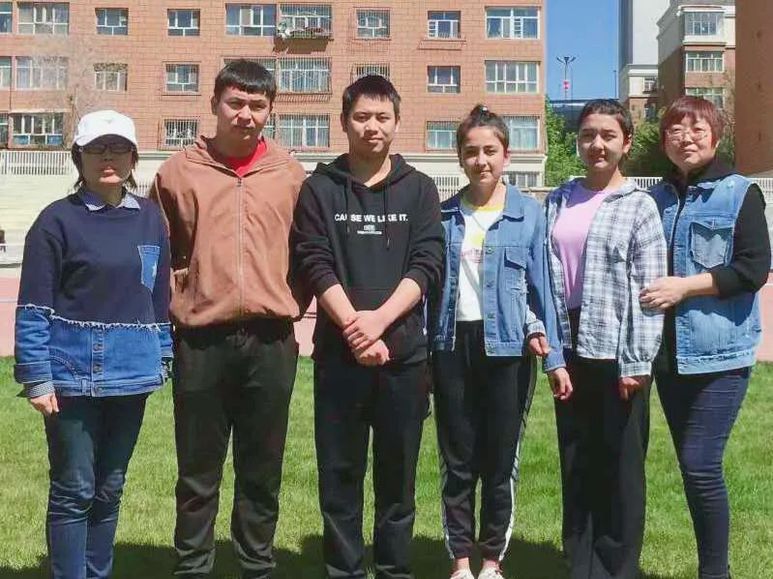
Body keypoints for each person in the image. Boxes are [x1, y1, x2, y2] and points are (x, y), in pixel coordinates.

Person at [150, 60, 307, 578]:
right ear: (214, 104)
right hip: (202, 341)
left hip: (271, 340)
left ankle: (256, 565)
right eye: (235, 103)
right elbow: (157, 254)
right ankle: (193, 566)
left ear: (270, 111)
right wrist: (184, 298)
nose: (246, 114)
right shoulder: (177, 173)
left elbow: (307, 252)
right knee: (198, 472)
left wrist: (288, 299)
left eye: (257, 105)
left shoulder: (289, 174)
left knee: (262, 469)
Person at [292, 75, 444, 579]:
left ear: (397, 123)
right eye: (361, 117)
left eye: (382, 117)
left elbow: (427, 263)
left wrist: (378, 322)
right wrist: (354, 329)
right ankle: (344, 570)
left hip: (404, 359)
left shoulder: (420, 189)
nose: (372, 126)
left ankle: (394, 569)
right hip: (339, 358)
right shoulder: (319, 189)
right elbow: (314, 261)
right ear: (344, 122)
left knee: (398, 478)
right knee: (340, 476)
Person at [14, 109, 171, 579]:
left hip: (132, 373)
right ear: (77, 157)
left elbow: (157, 296)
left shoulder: (150, 219)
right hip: (71, 375)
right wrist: (37, 377)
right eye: (97, 149)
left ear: (133, 158)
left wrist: (163, 354)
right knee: (74, 488)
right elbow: (34, 306)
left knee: (111, 486)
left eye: (118, 148)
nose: (108, 158)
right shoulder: (55, 221)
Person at [430, 105, 571, 579]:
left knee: (500, 459)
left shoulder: (529, 215)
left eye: (490, 150)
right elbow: (430, 290)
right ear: (459, 158)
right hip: (451, 346)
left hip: (508, 349)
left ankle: (491, 559)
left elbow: (543, 288)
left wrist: (554, 357)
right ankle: (460, 561)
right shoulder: (444, 216)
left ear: (506, 155)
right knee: (456, 459)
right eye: (471, 152)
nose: (481, 160)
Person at [641, 96, 770, 579]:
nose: (686, 138)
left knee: (700, 464)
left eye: (697, 129)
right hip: (668, 357)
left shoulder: (740, 193)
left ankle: (715, 574)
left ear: (716, 136)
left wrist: (685, 287)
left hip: (721, 354)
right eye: (676, 130)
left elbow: (753, 268)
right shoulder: (655, 199)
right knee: (693, 471)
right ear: (664, 141)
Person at [545, 99, 667, 579]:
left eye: (608, 135)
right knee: (576, 460)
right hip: (569, 345)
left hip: (618, 349)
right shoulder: (559, 199)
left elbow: (649, 292)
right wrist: (552, 350)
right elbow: (543, 275)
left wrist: (636, 362)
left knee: (620, 467)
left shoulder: (639, 206)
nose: (597, 144)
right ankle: (580, 563)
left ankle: (617, 567)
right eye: (588, 134)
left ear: (626, 142)